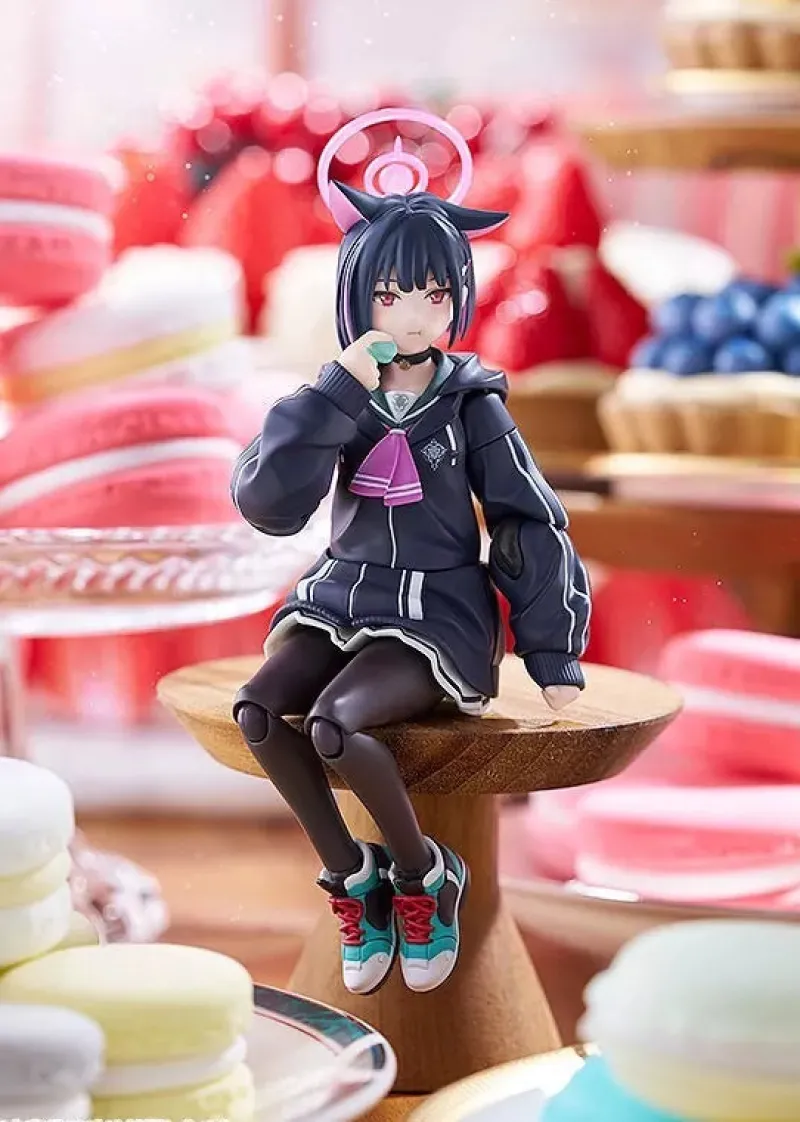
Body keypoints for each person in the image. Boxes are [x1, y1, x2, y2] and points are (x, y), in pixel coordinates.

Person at [231, 109, 591, 997]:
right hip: (340, 597)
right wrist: (335, 392)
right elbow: (271, 505)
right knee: (258, 709)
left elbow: (526, 519)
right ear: (359, 299)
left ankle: (425, 874)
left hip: (437, 612)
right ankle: (352, 875)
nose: (416, 314)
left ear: (457, 296)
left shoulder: (473, 406)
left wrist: (551, 651)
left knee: (336, 725)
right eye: (392, 296)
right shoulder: (336, 396)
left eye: (434, 294)